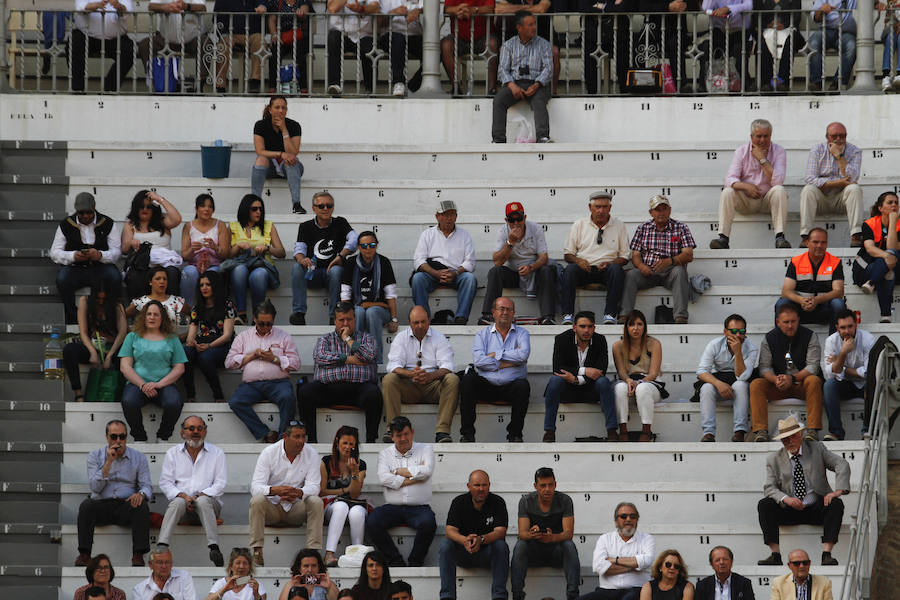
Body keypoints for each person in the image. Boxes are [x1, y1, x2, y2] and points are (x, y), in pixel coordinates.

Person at [757, 415, 850, 567]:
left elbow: (841, 464)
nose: (789, 442)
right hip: (789, 508)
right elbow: (769, 488)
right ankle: (775, 555)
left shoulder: (817, 448)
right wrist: (786, 499)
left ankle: (827, 554)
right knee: (765, 504)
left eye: (792, 437)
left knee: (836, 504)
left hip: (815, 507)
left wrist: (837, 491)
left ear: (800, 435)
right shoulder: (774, 459)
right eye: (785, 439)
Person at [297, 301, 383, 443]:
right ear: (335, 321)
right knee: (305, 392)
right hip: (328, 389)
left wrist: (348, 339)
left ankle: (370, 440)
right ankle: (311, 439)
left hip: (359, 389)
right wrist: (348, 359)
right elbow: (320, 358)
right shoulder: (325, 339)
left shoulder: (367, 338)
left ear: (355, 319)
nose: (345, 323)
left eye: (349, 319)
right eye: (341, 320)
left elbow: (368, 355)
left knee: (374, 394)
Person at [75, 420, 151, 567]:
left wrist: (140, 494)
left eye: (122, 437)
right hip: (102, 504)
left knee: (141, 505)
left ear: (126, 437)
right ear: (107, 437)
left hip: (126, 504)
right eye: (114, 437)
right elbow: (95, 487)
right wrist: (109, 462)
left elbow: (146, 486)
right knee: (86, 505)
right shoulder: (94, 456)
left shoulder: (139, 457)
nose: (118, 441)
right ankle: (84, 554)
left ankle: (138, 555)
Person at [249, 420, 324, 566]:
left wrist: (299, 493)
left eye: (303, 436)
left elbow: (315, 487)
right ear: (285, 436)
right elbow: (255, 487)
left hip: (296, 509)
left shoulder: (312, 453)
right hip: (272, 509)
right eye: (297, 437)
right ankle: (257, 552)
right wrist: (274, 490)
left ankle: (313, 552)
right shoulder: (269, 453)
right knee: (257, 500)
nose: (301, 441)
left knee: (316, 501)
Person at [225, 300, 300, 443]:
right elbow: (228, 363)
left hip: (278, 383)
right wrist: (251, 356)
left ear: (273, 321)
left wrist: (275, 359)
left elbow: (296, 363)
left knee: (288, 398)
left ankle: (282, 439)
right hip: (251, 385)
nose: (265, 327)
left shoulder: (283, 336)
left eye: (269, 324)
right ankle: (265, 432)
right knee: (236, 402)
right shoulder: (243, 337)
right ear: (254, 319)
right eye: (261, 324)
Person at [710, 119, 791, 250]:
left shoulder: (779, 151)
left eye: (766, 136)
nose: (762, 140)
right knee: (727, 191)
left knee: (779, 190)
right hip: (745, 200)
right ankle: (723, 238)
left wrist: (762, 159)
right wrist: (746, 186)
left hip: (767, 201)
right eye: (759, 136)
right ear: (751, 136)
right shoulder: (741, 151)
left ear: (770, 136)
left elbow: (778, 181)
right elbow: (729, 179)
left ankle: (780, 237)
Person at [383, 305, 459, 444]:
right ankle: (393, 429)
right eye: (415, 322)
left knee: (452, 379)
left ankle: (442, 432)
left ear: (429, 321)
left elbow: (447, 366)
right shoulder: (401, 338)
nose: (419, 326)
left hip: (433, 386)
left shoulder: (439, 337)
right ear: (410, 323)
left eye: (423, 322)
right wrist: (410, 374)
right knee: (389, 379)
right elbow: (393, 366)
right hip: (409, 386)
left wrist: (429, 376)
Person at [158, 415, 227, 566]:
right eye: (191, 428)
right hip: (183, 508)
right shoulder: (172, 453)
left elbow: (220, 484)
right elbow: (165, 483)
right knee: (177, 502)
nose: (195, 432)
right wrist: (184, 496)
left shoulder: (217, 453)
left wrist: (199, 496)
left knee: (202, 501)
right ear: (183, 432)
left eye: (199, 428)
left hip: (209, 506)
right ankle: (162, 546)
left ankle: (213, 547)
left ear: (205, 432)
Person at [368, 416, 437, 567]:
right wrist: (414, 477)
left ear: (412, 432)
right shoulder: (385, 454)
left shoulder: (426, 449)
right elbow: (384, 479)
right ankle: (395, 560)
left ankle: (415, 561)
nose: (403, 438)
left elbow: (427, 471)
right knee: (373, 521)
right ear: (392, 436)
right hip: (392, 507)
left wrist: (397, 471)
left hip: (420, 507)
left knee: (429, 522)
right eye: (398, 435)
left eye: (406, 434)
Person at [460, 297, 531, 442]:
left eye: (509, 309)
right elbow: (479, 361)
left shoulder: (522, 333)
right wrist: (509, 362)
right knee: (468, 380)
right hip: (487, 386)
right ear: (493, 312)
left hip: (512, 387)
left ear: (513, 313)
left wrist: (495, 355)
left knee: (523, 386)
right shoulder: (482, 335)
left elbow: (523, 355)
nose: (505, 312)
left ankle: (515, 434)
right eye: (501, 309)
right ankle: (467, 434)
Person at [749, 303, 823, 442]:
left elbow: (813, 367)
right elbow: (764, 367)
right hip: (779, 385)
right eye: (786, 322)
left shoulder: (810, 336)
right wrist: (775, 379)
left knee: (814, 380)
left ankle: (812, 430)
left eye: (793, 321)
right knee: (756, 384)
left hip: (802, 384)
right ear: (778, 322)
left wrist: (792, 378)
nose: (790, 326)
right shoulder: (769, 338)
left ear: (798, 320)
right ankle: (761, 431)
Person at [543, 311, 617, 443]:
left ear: (594, 328)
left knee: (604, 382)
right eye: (582, 326)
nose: (586, 330)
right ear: (574, 327)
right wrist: (585, 370)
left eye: (590, 327)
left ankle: (612, 430)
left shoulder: (600, 340)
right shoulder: (562, 339)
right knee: (555, 381)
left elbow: (601, 371)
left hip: (591, 390)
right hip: (567, 390)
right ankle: (549, 431)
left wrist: (577, 379)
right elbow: (557, 368)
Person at [621, 195, 696, 324]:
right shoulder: (643, 228)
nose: (661, 213)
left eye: (664, 209)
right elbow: (636, 255)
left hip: (671, 271)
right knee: (632, 274)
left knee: (680, 272)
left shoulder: (681, 227)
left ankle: (680, 316)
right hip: (648, 272)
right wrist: (641, 266)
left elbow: (688, 255)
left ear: (670, 210)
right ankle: (625, 315)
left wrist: (669, 261)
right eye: (657, 209)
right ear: (651, 212)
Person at [119, 301, 187, 442]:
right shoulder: (132, 337)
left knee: (174, 403)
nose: (152, 317)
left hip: (164, 385)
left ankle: (163, 436)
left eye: (156, 314)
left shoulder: (172, 339)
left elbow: (180, 367)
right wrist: (143, 385)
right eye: (149, 314)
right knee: (128, 401)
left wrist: (159, 384)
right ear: (143, 317)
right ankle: (139, 437)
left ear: (162, 318)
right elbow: (125, 367)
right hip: (137, 385)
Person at [480, 201, 557, 326]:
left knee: (546, 270)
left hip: (533, 271)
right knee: (495, 272)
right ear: (506, 220)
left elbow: (544, 257)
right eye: (512, 220)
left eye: (519, 219)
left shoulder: (536, 228)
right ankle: (488, 315)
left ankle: (548, 316)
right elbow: (497, 262)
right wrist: (510, 242)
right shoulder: (503, 232)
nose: (516, 223)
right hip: (513, 273)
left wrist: (531, 268)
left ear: (525, 217)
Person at [50, 191, 122, 324]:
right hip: (76, 268)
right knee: (62, 279)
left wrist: (100, 255)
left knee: (115, 277)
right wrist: (73, 256)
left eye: (88, 212)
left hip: (101, 266)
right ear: (76, 211)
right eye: (81, 213)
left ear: (94, 207)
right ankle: (73, 320)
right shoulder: (66, 224)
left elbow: (117, 252)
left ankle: (111, 317)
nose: (85, 216)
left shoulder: (107, 223)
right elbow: (54, 253)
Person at [561, 191, 630, 326]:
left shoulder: (619, 225)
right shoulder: (579, 224)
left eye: (604, 207)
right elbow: (568, 254)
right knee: (569, 270)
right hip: (584, 269)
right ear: (590, 207)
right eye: (597, 207)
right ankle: (567, 314)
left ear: (610, 208)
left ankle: (610, 314)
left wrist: (610, 263)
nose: (601, 210)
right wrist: (578, 261)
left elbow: (624, 256)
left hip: (607, 270)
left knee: (617, 270)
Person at [439, 469, 510, 600]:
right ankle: (447, 596)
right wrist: (465, 540)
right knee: (445, 545)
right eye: (477, 485)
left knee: (501, 546)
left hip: (486, 553)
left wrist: (481, 539)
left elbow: (500, 532)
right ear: (469, 486)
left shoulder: (498, 502)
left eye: (484, 485)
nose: (481, 489)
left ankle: (499, 596)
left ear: (489, 485)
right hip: (464, 552)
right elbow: (449, 531)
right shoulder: (459, 502)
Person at [511, 467, 579, 600]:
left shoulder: (565, 500)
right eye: (543, 485)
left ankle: (573, 596)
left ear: (555, 484)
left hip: (555, 550)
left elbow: (568, 534)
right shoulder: (526, 501)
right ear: (535, 486)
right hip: (534, 551)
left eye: (550, 485)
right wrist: (533, 533)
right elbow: (522, 534)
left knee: (569, 545)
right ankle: (517, 595)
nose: (547, 489)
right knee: (520, 546)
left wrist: (552, 537)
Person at [290, 191, 357, 326]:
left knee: (337, 270)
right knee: (297, 267)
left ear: (333, 207)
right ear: (314, 208)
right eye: (321, 206)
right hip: (312, 272)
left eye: (329, 205)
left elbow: (355, 239)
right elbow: (299, 250)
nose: (325, 209)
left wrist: (341, 256)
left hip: (331, 274)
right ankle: (299, 314)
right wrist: (302, 259)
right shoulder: (305, 226)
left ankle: (335, 316)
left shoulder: (340, 222)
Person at [491, 12, 553, 144]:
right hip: (515, 83)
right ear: (519, 28)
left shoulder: (544, 44)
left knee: (539, 101)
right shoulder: (508, 45)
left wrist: (536, 85)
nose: (534, 27)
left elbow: (548, 69)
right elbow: (502, 69)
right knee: (499, 100)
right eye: (530, 25)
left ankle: (543, 137)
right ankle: (498, 139)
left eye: (534, 24)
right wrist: (512, 86)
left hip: (536, 84)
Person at [412, 200, 477, 324]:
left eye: (452, 214)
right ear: (437, 216)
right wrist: (435, 273)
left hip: (456, 274)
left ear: (456, 216)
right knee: (418, 278)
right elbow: (418, 261)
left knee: (470, 279)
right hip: (433, 273)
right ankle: (423, 318)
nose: (449, 218)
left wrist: (455, 273)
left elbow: (471, 262)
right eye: (445, 215)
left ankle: (461, 318)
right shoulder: (427, 234)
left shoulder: (464, 235)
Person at [695, 313, 758, 443]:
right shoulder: (714, 344)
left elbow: (742, 376)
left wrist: (738, 352)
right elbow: (701, 371)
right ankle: (708, 433)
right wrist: (719, 384)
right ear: (725, 332)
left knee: (740, 385)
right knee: (706, 388)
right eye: (734, 331)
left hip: (737, 380)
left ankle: (740, 431)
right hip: (719, 379)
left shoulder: (751, 348)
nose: (738, 335)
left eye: (741, 331)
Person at [800, 122, 863, 247]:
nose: (838, 139)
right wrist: (837, 182)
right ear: (827, 137)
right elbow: (809, 178)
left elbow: (853, 178)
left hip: (841, 199)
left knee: (854, 188)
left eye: (842, 136)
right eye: (834, 136)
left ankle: (856, 234)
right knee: (808, 190)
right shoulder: (817, 149)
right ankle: (805, 236)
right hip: (821, 198)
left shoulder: (855, 151)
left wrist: (839, 156)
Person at [341, 230, 399, 363]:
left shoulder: (384, 262)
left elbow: (390, 294)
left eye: (372, 245)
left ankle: (375, 360)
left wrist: (394, 319)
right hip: (357, 308)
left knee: (372, 312)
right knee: (360, 312)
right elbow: (345, 294)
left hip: (381, 310)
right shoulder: (350, 263)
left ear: (377, 245)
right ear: (358, 247)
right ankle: (357, 357)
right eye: (364, 246)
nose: (368, 249)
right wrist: (345, 317)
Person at [63, 282, 128, 402]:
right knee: (69, 350)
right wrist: (92, 351)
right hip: (91, 344)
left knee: (124, 353)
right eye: (98, 298)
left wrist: (109, 355)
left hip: (112, 347)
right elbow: (83, 331)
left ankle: (119, 392)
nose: (101, 302)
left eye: (104, 299)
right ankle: (78, 393)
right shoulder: (85, 301)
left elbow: (122, 333)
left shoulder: (116, 305)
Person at [227, 194, 286, 323]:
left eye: (260, 209)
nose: (258, 212)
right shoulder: (233, 226)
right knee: (239, 270)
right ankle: (241, 314)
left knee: (258, 274)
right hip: (240, 266)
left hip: (262, 265)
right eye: (254, 209)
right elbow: (227, 255)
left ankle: (257, 316)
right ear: (245, 209)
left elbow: (281, 252)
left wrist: (267, 248)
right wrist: (238, 246)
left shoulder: (268, 225)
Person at [577, 502, 654, 600]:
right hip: (607, 591)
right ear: (616, 521)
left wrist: (615, 560)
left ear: (637, 519)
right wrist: (633, 566)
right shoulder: (605, 539)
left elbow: (646, 561)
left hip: (637, 589)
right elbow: (599, 567)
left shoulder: (647, 539)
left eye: (633, 516)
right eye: (623, 516)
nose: (628, 519)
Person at [777, 228, 846, 331]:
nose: (819, 246)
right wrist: (801, 300)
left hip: (823, 309)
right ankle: (781, 344)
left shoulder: (835, 262)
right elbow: (786, 291)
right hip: (800, 309)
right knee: (782, 303)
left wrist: (816, 300)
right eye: (815, 242)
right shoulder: (796, 262)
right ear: (807, 243)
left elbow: (838, 292)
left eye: (823, 242)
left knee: (838, 304)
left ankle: (834, 344)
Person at [319, 426, 369, 567]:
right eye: (344, 443)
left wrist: (354, 472)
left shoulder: (360, 464)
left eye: (351, 444)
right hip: (331, 505)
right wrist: (343, 490)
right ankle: (329, 554)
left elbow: (354, 493)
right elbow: (322, 491)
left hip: (353, 503)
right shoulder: (326, 461)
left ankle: (357, 555)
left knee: (357, 513)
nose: (347, 447)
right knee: (341, 506)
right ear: (337, 442)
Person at [822, 309, 874, 441]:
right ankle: (836, 432)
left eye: (850, 326)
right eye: (843, 327)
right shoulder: (831, 341)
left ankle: (866, 431)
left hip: (865, 385)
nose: (847, 331)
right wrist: (843, 353)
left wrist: (840, 365)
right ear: (837, 328)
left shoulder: (868, 339)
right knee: (829, 386)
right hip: (845, 385)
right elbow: (830, 375)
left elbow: (868, 373)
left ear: (856, 325)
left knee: (873, 384)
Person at [183, 271, 235, 402]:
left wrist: (209, 346)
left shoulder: (227, 305)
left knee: (205, 358)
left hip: (221, 345)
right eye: (201, 285)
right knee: (185, 352)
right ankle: (190, 395)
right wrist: (193, 343)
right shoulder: (196, 308)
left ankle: (218, 396)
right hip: (201, 344)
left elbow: (227, 335)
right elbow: (191, 336)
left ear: (215, 286)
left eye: (208, 284)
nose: (204, 288)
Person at [121, 190, 183, 301]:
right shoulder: (130, 224)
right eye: (141, 206)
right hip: (142, 264)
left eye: (149, 206)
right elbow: (124, 250)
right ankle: (139, 313)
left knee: (172, 273)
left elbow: (177, 219)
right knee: (135, 276)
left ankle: (172, 311)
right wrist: (131, 243)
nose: (145, 209)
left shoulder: (163, 221)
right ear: (136, 207)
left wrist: (160, 199)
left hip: (164, 264)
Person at [612, 310, 663, 442]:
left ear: (645, 326)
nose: (636, 328)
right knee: (619, 388)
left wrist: (639, 382)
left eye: (640, 324)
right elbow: (621, 372)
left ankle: (646, 431)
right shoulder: (618, 346)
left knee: (643, 388)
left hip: (650, 383)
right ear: (626, 327)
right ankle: (623, 430)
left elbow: (653, 373)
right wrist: (629, 381)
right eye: (631, 324)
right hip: (627, 381)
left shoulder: (654, 343)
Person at [252, 96, 305, 214]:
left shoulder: (294, 126)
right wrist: (280, 154)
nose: (281, 110)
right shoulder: (260, 125)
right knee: (261, 159)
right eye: (277, 107)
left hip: (290, 168)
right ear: (270, 109)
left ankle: (296, 204)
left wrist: (284, 129)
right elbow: (260, 151)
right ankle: (254, 203)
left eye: (283, 108)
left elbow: (293, 152)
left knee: (291, 160)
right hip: (270, 167)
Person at [853, 191, 900, 322]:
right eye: (890, 202)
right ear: (880, 208)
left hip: (895, 268)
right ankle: (886, 316)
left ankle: (872, 282)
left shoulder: (899, 223)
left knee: (892, 256)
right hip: (866, 269)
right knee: (888, 268)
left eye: (896, 203)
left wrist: (892, 221)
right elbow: (870, 249)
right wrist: (886, 255)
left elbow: (892, 246)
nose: (894, 205)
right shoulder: (869, 223)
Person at [72, 0, 135, 92]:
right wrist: (93, 6)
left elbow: (127, 10)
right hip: (86, 35)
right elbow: (79, 6)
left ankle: (109, 89)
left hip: (115, 38)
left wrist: (119, 6)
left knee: (129, 50)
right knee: (74, 44)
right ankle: (78, 89)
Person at [180, 193, 230, 308]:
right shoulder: (188, 226)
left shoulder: (220, 225)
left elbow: (225, 254)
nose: (207, 209)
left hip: (215, 264)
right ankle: (189, 310)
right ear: (197, 209)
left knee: (213, 274)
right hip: (193, 264)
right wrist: (192, 249)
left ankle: (214, 310)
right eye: (203, 206)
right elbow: (184, 255)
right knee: (189, 273)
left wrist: (215, 248)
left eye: (210, 206)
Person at [137, 0, 206, 82]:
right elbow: (151, 6)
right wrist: (165, 7)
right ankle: (156, 81)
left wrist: (186, 6)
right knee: (145, 45)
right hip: (166, 39)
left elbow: (202, 8)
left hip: (192, 39)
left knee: (205, 44)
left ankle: (200, 83)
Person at [440, 0, 499, 93]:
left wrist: (474, 10)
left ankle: (492, 89)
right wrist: (457, 10)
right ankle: (456, 88)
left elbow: (491, 9)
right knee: (446, 45)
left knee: (492, 44)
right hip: (459, 37)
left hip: (483, 37)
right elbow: (446, 9)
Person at [209, 0, 266, 93]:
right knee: (221, 47)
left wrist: (263, 7)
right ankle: (220, 86)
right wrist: (224, 35)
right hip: (231, 35)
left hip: (252, 35)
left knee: (259, 41)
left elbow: (263, 4)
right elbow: (217, 18)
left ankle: (255, 81)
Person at [325, 0, 379, 95]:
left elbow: (375, 7)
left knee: (370, 47)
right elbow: (332, 8)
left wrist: (362, 9)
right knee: (333, 38)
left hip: (363, 33)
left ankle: (370, 89)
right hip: (341, 33)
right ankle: (334, 85)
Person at [807, 0, 857, 90]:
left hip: (846, 33)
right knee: (813, 43)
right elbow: (816, 17)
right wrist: (821, 10)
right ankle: (816, 83)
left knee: (852, 46)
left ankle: (837, 83)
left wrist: (877, 3)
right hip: (826, 30)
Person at [266, 0, 314, 94]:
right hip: (282, 36)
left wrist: (301, 13)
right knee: (274, 51)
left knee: (300, 54)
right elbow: (272, 19)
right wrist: (274, 34)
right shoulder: (277, 2)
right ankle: (272, 86)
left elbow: (305, 9)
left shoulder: (302, 1)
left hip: (298, 36)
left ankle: (303, 87)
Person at [379, 0, 424, 97]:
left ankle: (412, 86)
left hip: (414, 35)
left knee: (437, 51)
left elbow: (430, 8)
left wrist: (419, 11)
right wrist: (393, 13)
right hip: (391, 34)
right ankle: (398, 82)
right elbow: (378, 22)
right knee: (398, 39)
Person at [769, 549, 834, 599]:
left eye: (805, 563)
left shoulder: (824, 583)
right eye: (796, 563)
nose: (801, 566)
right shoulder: (778, 583)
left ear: (809, 563)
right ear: (789, 565)